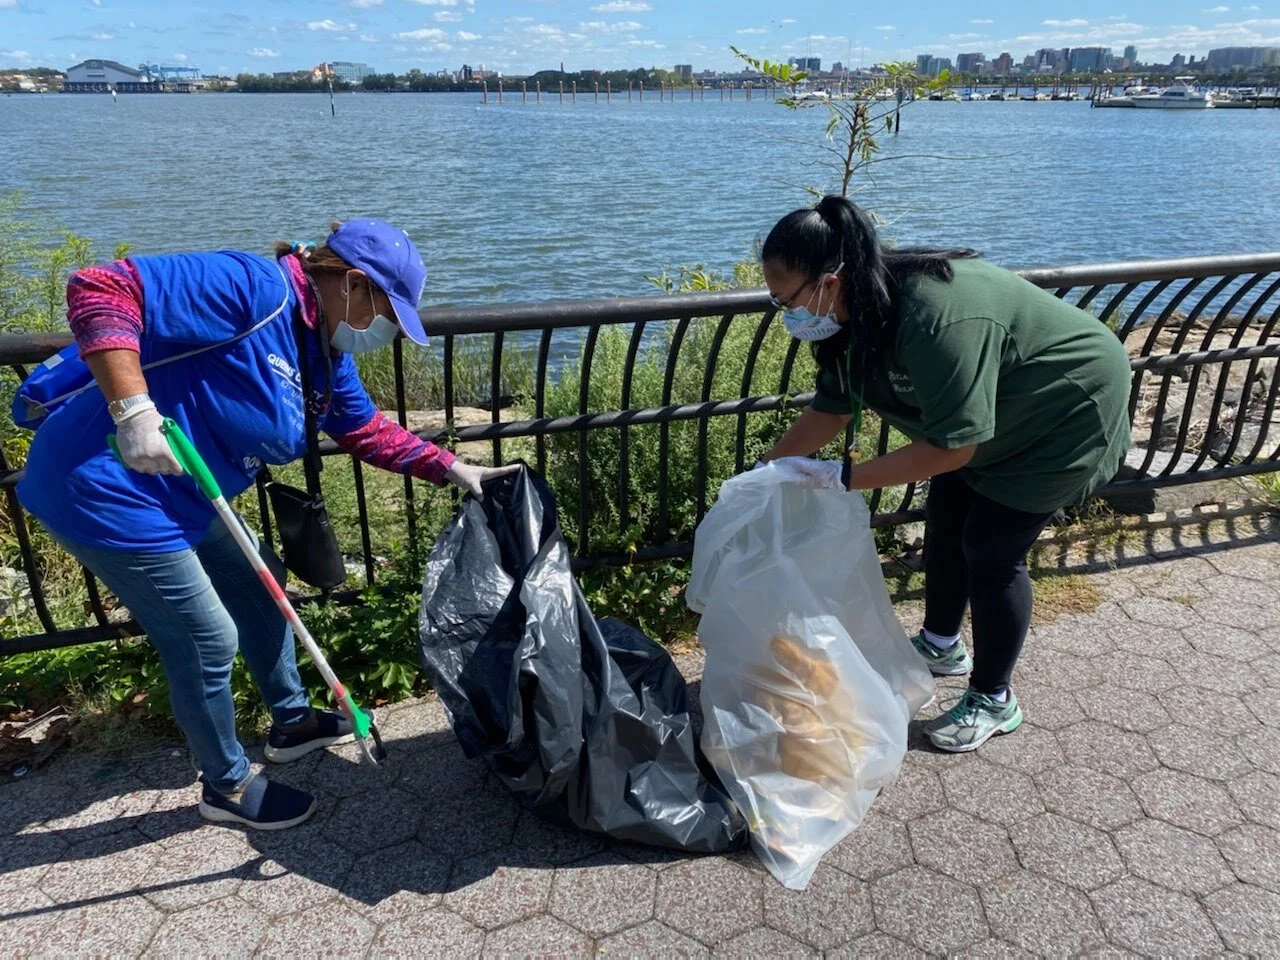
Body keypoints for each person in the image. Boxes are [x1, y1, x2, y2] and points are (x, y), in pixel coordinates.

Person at [18, 219, 517, 828]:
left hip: (189, 492)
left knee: (262, 585)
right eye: (385, 311)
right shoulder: (254, 288)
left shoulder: (323, 353)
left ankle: (293, 723)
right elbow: (101, 287)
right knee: (205, 639)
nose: (382, 331)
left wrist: (451, 469)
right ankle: (224, 787)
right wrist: (134, 411)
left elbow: (360, 428)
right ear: (353, 285)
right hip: (105, 489)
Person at [760, 196, 1131, 752]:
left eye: (784, 299)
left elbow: (952, 448)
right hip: (995, 415)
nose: (783, 311)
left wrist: (841, 477)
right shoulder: (851, 316)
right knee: (947, 516)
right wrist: (766, 474)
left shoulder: (939, 316)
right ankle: (941, 644)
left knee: (991, 549)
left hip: (1068, 412)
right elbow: (831, 411)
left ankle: (993, 699)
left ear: (830, 280)